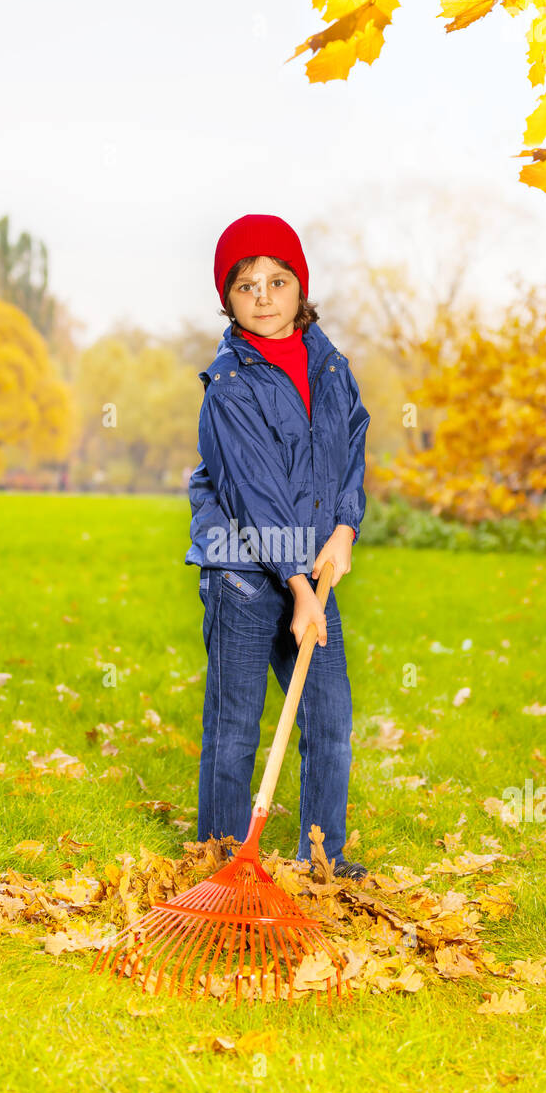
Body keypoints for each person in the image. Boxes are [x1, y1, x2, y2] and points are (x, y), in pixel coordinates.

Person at [184, 213, 371, 879]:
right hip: (244, 571)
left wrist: (346, 529)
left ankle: (324, 859)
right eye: (245, 285)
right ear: (228, 300)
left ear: (300, 288)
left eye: (277, 280)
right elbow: (254, 493)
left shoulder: (333, 368)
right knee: (235, 727)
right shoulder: (229, 387)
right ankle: (223, 861)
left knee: (327, 718)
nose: (263, 295)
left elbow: (352, 453)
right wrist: (295, 587)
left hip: (311, 572)